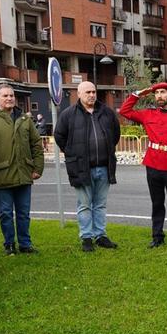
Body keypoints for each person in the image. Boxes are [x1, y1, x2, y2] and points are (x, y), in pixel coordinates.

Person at [119, 82, 167, 250]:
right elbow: (124, 111)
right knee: (157, 203)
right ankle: (157, 236)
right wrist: (137, 94)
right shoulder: (148, 114)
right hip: (153, 164)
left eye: (163, 92)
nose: (159, 95)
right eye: (157, 92)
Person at [0, 84, 44, 255]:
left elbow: (36, 144)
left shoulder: (25, 119)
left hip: (24, 174)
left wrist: (38, 167)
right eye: (5, 96)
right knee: (5, 214)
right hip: (1, 175)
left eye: (11, 95)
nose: (9, 98)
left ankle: (25, 244)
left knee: (23, 213)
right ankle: (9, 244)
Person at [53, 81, 121, 252]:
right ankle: (86, 237)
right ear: (79, 94)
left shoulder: (106, 112)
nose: (91, 95)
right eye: (88, 92)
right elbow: (59, 136)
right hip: (81, 167)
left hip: (104, 167)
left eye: (93, 92)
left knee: (100, 204)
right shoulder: (68, 114)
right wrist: (71, 152)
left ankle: (101, 235)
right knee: (84, 204)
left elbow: (115, 134)